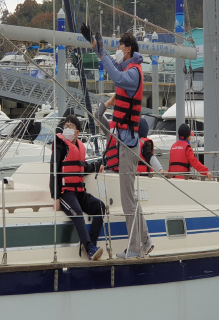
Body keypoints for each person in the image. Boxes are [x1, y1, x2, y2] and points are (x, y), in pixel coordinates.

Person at [81, 24, 153, 259]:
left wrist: (102, 53)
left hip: (127, 145)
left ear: (129, 49)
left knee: (127, 201)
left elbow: (116, 74)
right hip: (128, 143)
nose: (118, 51)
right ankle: (145, 241)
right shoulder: (130, 67)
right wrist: (97, 47)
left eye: (120, 47)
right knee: (131, 198)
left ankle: (134, 249)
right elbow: (113, 64)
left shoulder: (132, 74)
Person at [49, 115, 105, 261]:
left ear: (77, 132)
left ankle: (90, 244)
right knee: (78, 213)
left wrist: (97, 166)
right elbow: (53, 171)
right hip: (65, 192)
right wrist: (55, 197)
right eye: (66, 125)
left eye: (71, 126)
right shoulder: (60, 146)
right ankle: (90, 248)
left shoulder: (79, 146)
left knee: (100, 207)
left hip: (79, 192)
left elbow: (82, 167)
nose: (67, 128)